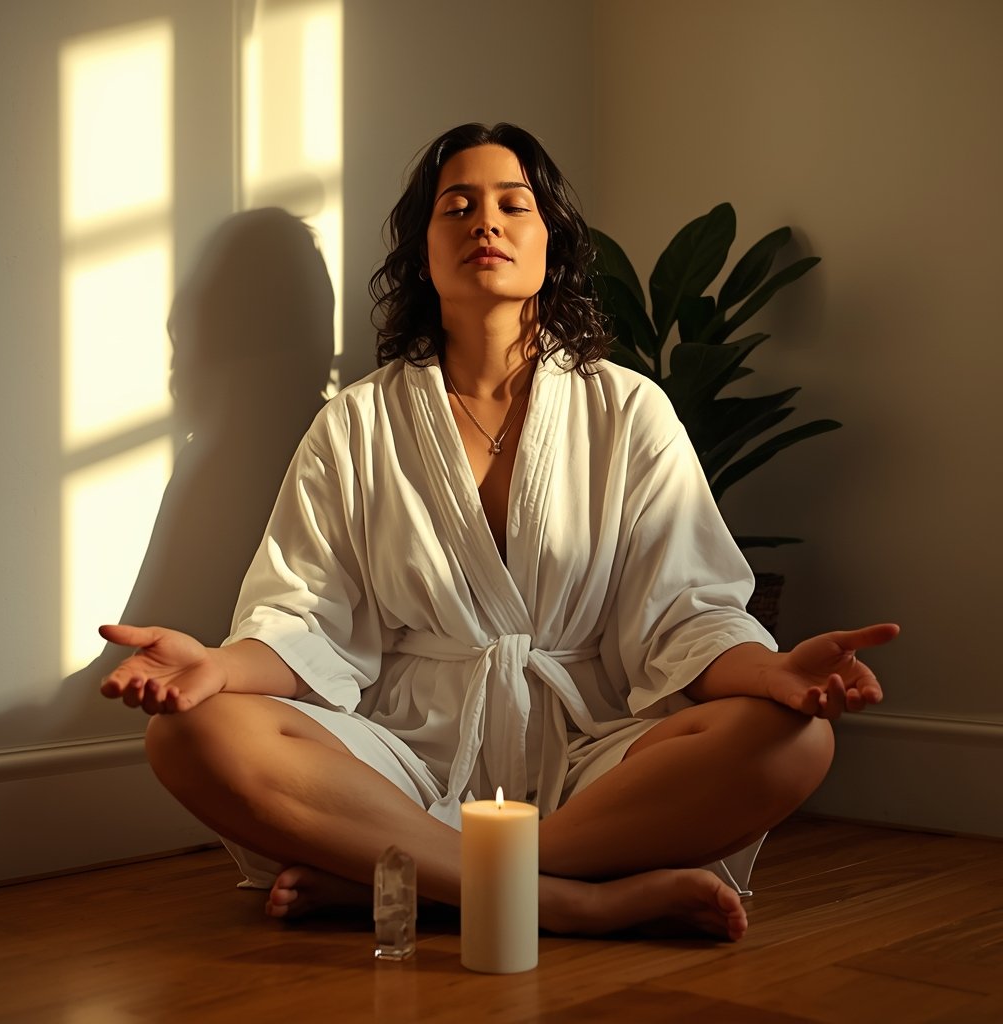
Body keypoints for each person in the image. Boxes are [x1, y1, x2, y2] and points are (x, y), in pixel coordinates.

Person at [100, 122, 899, 941]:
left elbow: (687, 613)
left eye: (513, 204)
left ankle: (415, 879)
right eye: (458, 206)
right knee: (190, 734)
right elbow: (303, 620)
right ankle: (567, 899)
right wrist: (217, 665)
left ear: (551, 243)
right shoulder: (356, 424)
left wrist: (769, 673)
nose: (486, 222)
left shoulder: (627, 410)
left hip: (594, 753)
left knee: (795, 742)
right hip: (404, 755)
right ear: (423, 251)